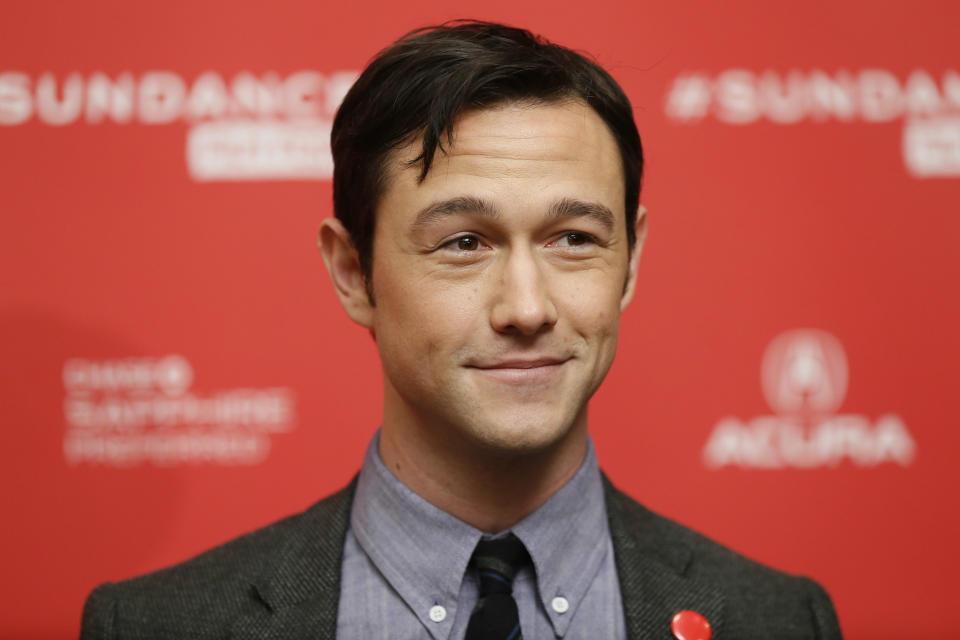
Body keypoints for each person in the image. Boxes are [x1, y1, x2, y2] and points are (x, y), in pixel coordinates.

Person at [80, 20, 843, 640]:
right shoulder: (154, 625)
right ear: (353, 271)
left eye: (574, 238)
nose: (526, 307)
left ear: (631, 262)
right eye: (464, 243)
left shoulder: (780, 620)